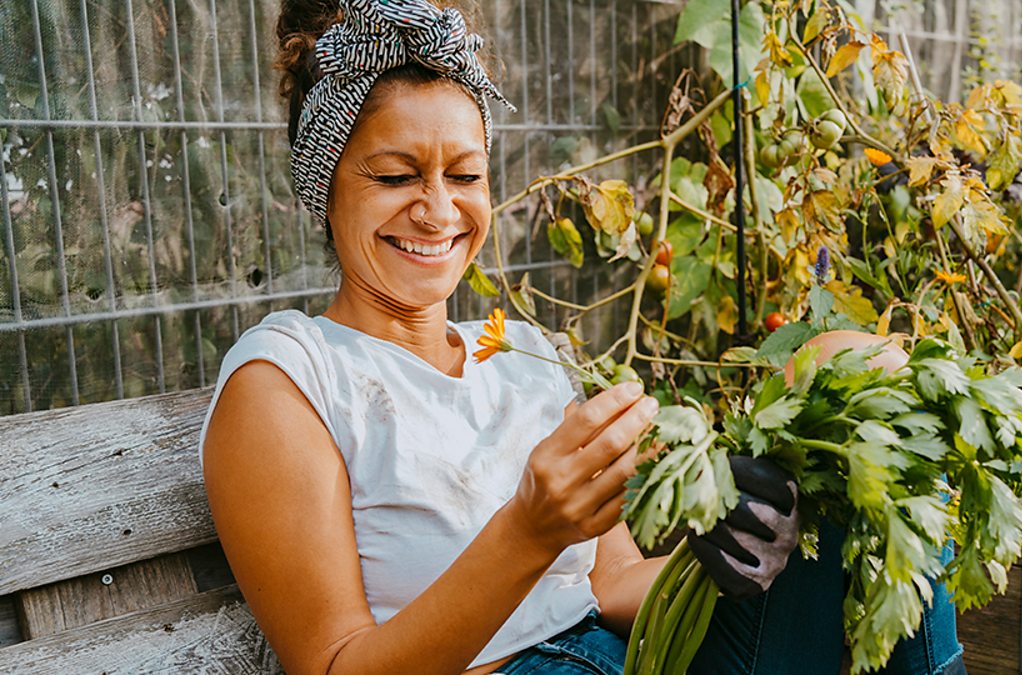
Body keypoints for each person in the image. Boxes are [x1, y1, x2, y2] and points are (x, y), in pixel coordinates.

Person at [198, 1, 967, 673]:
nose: (437, 210)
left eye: (464, 176)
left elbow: (611, 582)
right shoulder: (291, 378)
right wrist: (528, 531)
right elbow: (334, 663)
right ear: (324, 187)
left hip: (626, 652)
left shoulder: (520, 355)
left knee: (857, 371)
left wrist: (723, 554)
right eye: (396, 176)